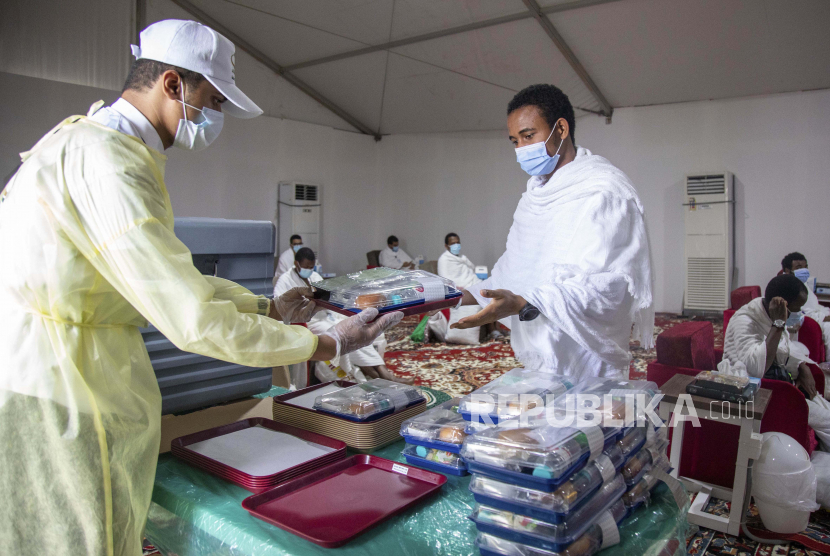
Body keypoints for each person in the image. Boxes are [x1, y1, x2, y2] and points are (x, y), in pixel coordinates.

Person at [0, 20, 401, 556]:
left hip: (57, 360)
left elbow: (165, 275)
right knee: (81, 533)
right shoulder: (109, 163)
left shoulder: (87, 141)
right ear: (171, 84)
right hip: (66, 381)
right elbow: (190, 317)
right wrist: (327, 343)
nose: (213, 119)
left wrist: (268, 306)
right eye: (210, 101)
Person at [451, 84, 654, 381]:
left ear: (561, 129)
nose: (521, 149)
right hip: (539, 358)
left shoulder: (604, 191)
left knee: (586, 426)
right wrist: (451, 296)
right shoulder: (533, 198)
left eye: (529, 136)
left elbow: (609, 288)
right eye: (514, 141)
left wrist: (525, 302)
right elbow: (512, 272)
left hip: (589, 359)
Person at [275, 248, 413, 385]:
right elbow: (280, 309)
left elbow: (329, 298)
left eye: (311, 267)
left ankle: (382, 374)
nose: (309, 270)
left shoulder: (315, 277)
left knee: (358, 330)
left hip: (325, 316)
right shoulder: (285, 281)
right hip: (308, 323)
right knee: (344, 336)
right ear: (296, 263)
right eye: (306, 267)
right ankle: (381, 377)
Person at [723, 274, 817, 395]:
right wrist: (778, 324)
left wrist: (802, 366)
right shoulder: (745, 320)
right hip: (752, 392)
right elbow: (755, 369)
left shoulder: (768, 311)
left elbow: (784, 346)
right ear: (782, 306)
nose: (800, 313)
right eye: (797, 308)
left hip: (777, 382)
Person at [437, 233, 502, 341]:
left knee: (493, 292)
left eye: (458, 242)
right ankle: (492, 330)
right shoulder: (444, 260)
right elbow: (445, 280)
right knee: (483, 296)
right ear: (446, 246)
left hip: (472, 283)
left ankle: (496, 328)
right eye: (453, 243)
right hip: (460, 288)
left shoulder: (462, 258)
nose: (456, 245)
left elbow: (471, 272)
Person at [782, 252, 830, 356]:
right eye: (799, 267)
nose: (804, 271)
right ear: (787, 270)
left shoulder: (801, 283)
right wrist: (826, 317)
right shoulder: (788, 287)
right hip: (807, 324)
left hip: (817, 318)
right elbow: (804, 313)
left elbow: (814, 307)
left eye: (805, 267)